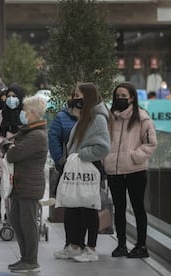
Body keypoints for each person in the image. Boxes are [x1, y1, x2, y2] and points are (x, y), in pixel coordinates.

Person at [104, 82, 157, 258]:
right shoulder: (110, 118)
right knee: (119, 208)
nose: (120, 99)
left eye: (123, 96)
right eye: (117, 96)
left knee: (138, 208)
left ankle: (141, 245)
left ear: (132, 97)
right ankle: (121, 244)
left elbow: (151, 143)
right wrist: (107, 160)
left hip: (136, 170)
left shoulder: (142, 117)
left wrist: (134, 156)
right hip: (114, 171)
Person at [64, 82, 111, 262]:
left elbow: (103, 147)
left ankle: (91, 249)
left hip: (88, 167)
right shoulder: (86, 116)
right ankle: (76, 245)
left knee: (89, 207)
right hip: (79, 167)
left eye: (78, 95)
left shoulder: (98, 118)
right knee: (76, 206)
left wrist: (82, 154)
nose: (75, 99)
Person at [2, 94, 48, 273]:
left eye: (26, 110)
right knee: (15, 219)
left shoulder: (36, 135)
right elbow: (8, 145)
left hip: (29, 185)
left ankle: (31, 260)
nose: (23, 113)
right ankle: (24, 257)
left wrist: (9, 147)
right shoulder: (27, 131)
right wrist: (9, 146)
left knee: (27, 223)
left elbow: (13, 153)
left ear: (34, 113)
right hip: (20, 184)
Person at [48, 88, 80, 259]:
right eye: (76, 96)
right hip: (68, 169)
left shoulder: (94, 117)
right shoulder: (62, 117)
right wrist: (61, 161)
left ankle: (86, 245)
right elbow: (53, 139)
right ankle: (70, 243)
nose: (79, 99)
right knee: (70, 207)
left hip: (88, 169)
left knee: (87, 207)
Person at [0, 83, 24, 223]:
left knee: (13, 186)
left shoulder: (24, 115)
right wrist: (3, 141)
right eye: (9, 96)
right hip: (0, 157)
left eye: (15, 96)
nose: (11, 99)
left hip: (19, 156)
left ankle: (10, 214)